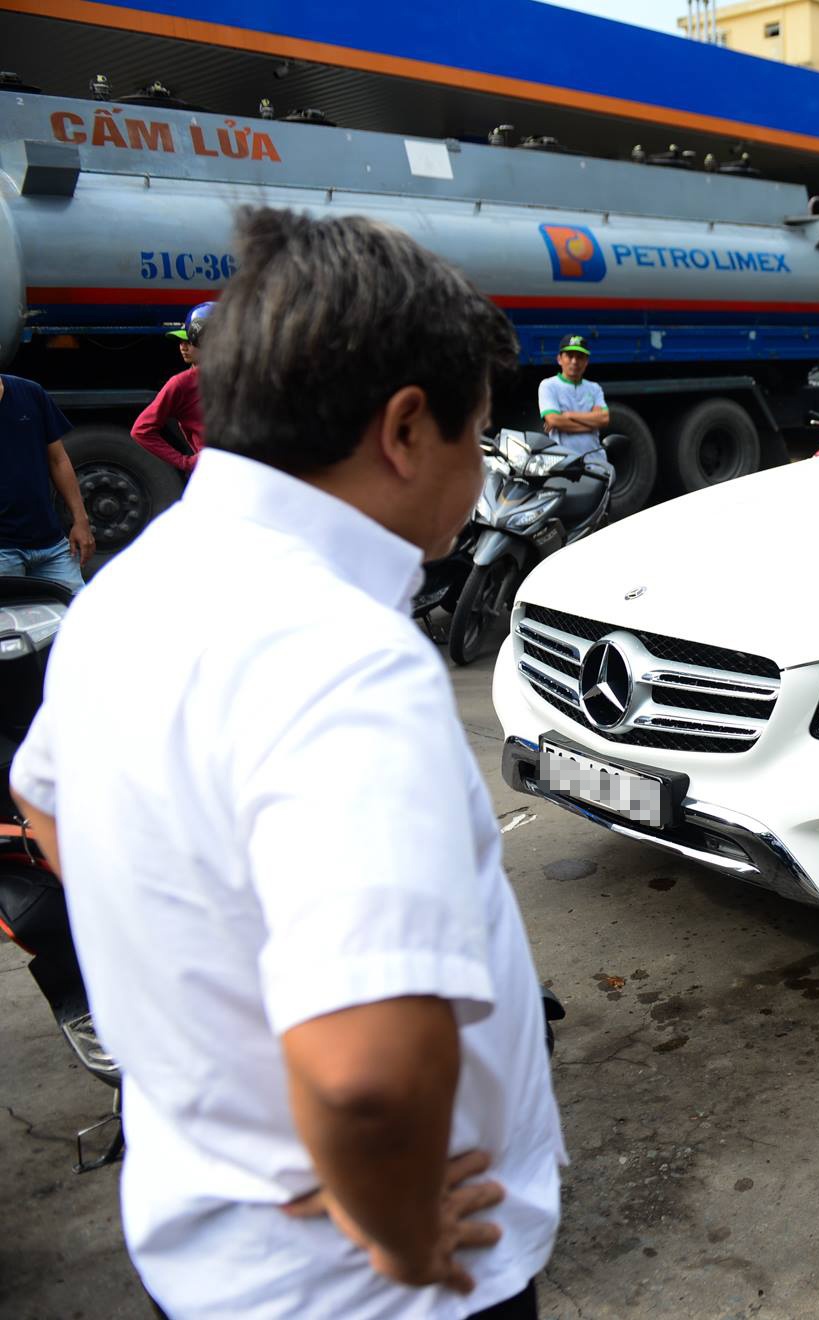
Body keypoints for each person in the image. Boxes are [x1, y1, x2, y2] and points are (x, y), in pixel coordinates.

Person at [8, 209, 563, 1318]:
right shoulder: (346, 660)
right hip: (366, 1291)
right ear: (406, 428)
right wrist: (401, 1232)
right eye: (478, 431)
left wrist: (196, 988)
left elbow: (45, 803)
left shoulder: (135, 584)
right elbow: (367, 1078)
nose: (481, 466)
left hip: (205, 1251)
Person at [0, 372, 93, 590]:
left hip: (51, 545)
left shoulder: (30, 392)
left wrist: (81, 520)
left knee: (76, 609)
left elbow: (58, 460)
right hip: (3, 551)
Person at [130, 300, 213, 474]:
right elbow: (141, 430)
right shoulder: (181, 384)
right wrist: (184, 462)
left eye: (189, 340)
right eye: (180, 341)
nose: (182, 346)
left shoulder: (242, 376)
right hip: (214, 475)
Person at [537, 334, 609, 454]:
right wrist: (591, 425)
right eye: (570, 356)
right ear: (559, 359)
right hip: (564, 460)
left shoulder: (594, 388)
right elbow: (554, 420)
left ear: (586, 361)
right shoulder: (548, 385)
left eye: (580, 357)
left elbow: (603, 418)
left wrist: (569, 415)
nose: (574, 361)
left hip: (595, 460)